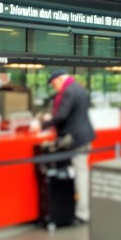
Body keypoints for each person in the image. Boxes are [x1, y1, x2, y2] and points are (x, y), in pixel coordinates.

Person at [31, 69, 96, 223]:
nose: (55, 88)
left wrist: (42, 124)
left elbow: (61, 115)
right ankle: (76, 208)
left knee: (81, 175)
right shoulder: (78, 88)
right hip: (83, 137)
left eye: (54, 84)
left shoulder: (68, 92)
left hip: (76, 139)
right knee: (80, 173)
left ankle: (83, 213)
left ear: (59, 80)